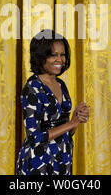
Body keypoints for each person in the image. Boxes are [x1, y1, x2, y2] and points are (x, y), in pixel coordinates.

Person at [16, 29, 89, 175]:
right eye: (53, 55)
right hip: (40, 162)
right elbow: (34, 137)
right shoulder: (32, 88)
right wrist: (71, 124)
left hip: (63, 159)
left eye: (62, 55)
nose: (60, 60)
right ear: (40, 56)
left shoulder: (61, 84)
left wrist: (76, 118)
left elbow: (66, 131)